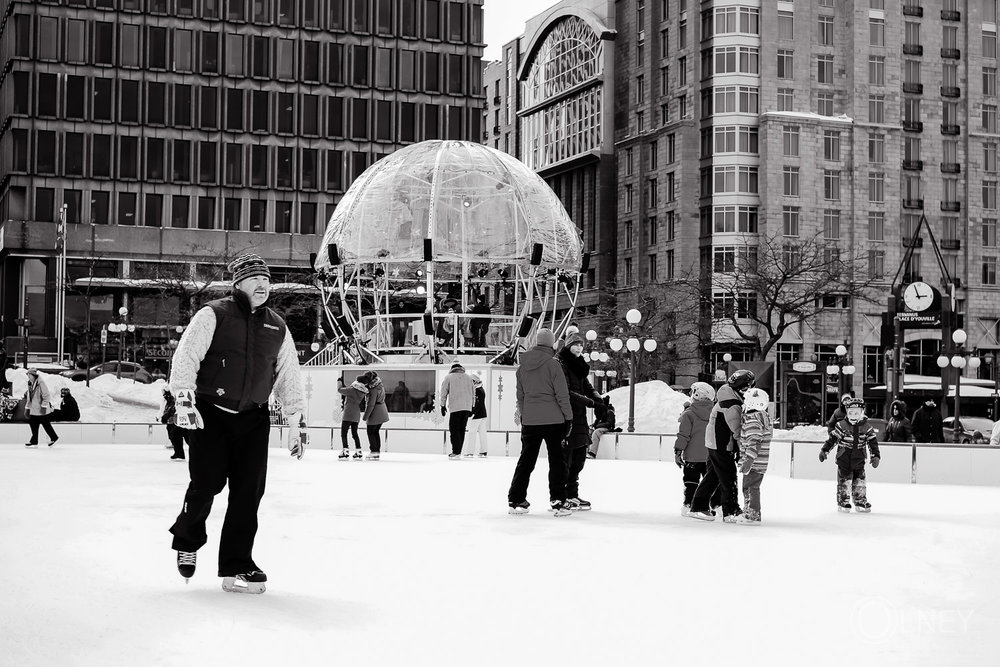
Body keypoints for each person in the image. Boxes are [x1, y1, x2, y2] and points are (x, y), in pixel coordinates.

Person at [168, 252, 305, 594]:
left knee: (248, 494)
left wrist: (296, 420)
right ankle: (187, 539)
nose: (263, 285)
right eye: (255, 279)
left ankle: (238, 563)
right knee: (207, 484)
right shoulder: (213, 314)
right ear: (239, 283)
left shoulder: (277, 326)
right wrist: (184, 400)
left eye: (267, 280)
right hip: (210, 414)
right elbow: (186, 356)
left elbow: (289, 374)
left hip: (253, 419)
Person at [507, 328, 574, 517]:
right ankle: (558, 501)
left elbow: (520, 396)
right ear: (551, 343)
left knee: (526, 461)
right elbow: (562, 395)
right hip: (554, 420)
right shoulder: (554, 365)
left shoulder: (522, 368)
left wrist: (524, 415)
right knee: (557, 461)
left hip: (530, 421)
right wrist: (568, 418)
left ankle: (516, 499)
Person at [687, 369, 756, 522]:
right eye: (746, 388)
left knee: (713, 477)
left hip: (715, 443)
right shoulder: (732, 404)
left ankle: (699, 506)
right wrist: (743, 449)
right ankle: (730, 511)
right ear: (739, 388)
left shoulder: (728, 396)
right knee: (728, 477)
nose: (748, 391)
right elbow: (737, 430)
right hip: (721, 445)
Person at [558, 331, 604, 511]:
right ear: (568, 346)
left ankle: (573, 494)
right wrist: (590, 402)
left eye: (581, 346)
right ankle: (562, 496)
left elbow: (587, 386)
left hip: (580, 416)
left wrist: (598, 399)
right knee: (566, 459)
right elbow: (566, 392)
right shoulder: (561, 364)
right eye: (576, 344)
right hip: (567, 416)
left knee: (578, 459)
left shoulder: (579, 366)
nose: (579, 348)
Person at [820, 397, 881, 513]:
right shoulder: (841, 425)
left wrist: (875, 455)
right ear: (847, 412)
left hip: (859, 458)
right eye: (851, 412)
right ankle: (843, 501)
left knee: (860, 481)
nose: (853, 415)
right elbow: (832, 439)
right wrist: (825, 450)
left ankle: (860, 500)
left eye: (856, 413)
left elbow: (873, 443)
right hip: (844, 458)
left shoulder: (867, 427)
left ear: (862, 412)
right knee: (844, 481)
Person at [673, 382, 718, 516]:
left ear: (698, 394)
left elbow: (683, 435)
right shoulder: (715, 412)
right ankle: (713, 505)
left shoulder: (689, 414)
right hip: (710, 455)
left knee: (691, 482)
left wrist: (678, 451)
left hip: (692, 456)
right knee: (709, 483)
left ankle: (688, 505)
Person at [736, 388, 772, 525]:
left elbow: (754, 441)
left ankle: (752, 515)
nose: (744, 404)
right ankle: (749, 512)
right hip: (759, 461)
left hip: (754, 463)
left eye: (746, 401)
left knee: (751, 487)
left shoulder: (753, 421)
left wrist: (748, 460)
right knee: (750, 487)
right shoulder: (761, 419)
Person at [440, 362, 475, 459]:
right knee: (461, 430)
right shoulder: (468, 378)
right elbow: (473, 393)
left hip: (455, 408)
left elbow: (444, 391)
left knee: (454, 430)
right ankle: (458, 451)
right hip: (466, 408)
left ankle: (456, 452)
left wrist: (442, 405)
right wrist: (472, 406)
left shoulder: (449, 377)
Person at [337, 374, 368, 460]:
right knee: (355, 434)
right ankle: (359, 451)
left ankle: (345, 451)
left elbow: (340, 390)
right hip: (356, 415)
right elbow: (347, 390)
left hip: (348, 414)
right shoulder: (362, 391)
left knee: (344, 433)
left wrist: (339, 382)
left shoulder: (352, 390)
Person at [24, 369, 59, 447]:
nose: (28, 376)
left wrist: (43, 407)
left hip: (41, 409)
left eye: (29, 375)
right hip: (34, 409)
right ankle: (34, 441)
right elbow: (30, 398)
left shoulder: (41, 383)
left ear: (33, 375)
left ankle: (54, 437)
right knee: (33, 424)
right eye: (27, 375)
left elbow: (47, 396)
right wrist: (27, 408)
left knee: (46, 424)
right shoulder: (30, 383)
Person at [362, 370, 389, 460]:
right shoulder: (379, 385)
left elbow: (371, 405)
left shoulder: (373, 389)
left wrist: (365, 417)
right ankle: (376, 452)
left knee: (370, 432)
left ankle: (374, 452)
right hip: (382, 410)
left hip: (375, 413)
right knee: (375, 432)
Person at [160, 387, 188, 461]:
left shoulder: (177, 396)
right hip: (178, 419)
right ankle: (179, 454)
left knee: (180, 435)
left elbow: (172, 407)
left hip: (182, 419)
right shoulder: (170, 399)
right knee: (176, 434)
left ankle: (180, 454)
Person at [464, 374, 489, 457]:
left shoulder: (477, 390)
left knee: (472, 432)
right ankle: (483, 451)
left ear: (474, 381)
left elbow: (477, 404)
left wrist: (472, 413)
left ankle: (470, 452)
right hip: (482, 414)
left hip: (477, 415)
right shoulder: (481, 389)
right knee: (482, 433)